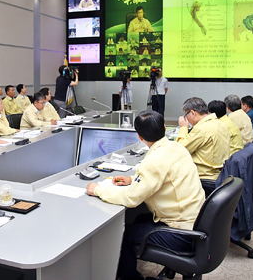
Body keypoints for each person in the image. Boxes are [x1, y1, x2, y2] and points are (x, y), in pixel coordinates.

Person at [86, 110, 205, 280]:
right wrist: (134, 179)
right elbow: (165, 174)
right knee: (140, 219)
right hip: (196, 223)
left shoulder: (153, 161)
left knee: (123, 235)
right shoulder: (176, 146)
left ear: (140, 137)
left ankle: (130, 277)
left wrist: (97, 189)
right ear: (164, 128)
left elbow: (130, 199)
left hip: (181, 234)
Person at [176, 97, 231, 185]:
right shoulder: (219, 123)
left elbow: (179, 150)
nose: (187, 119)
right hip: (219, 175)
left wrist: (183, 127)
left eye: (186, 115)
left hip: (204, 178)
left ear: (193, 113)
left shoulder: (203, 129)